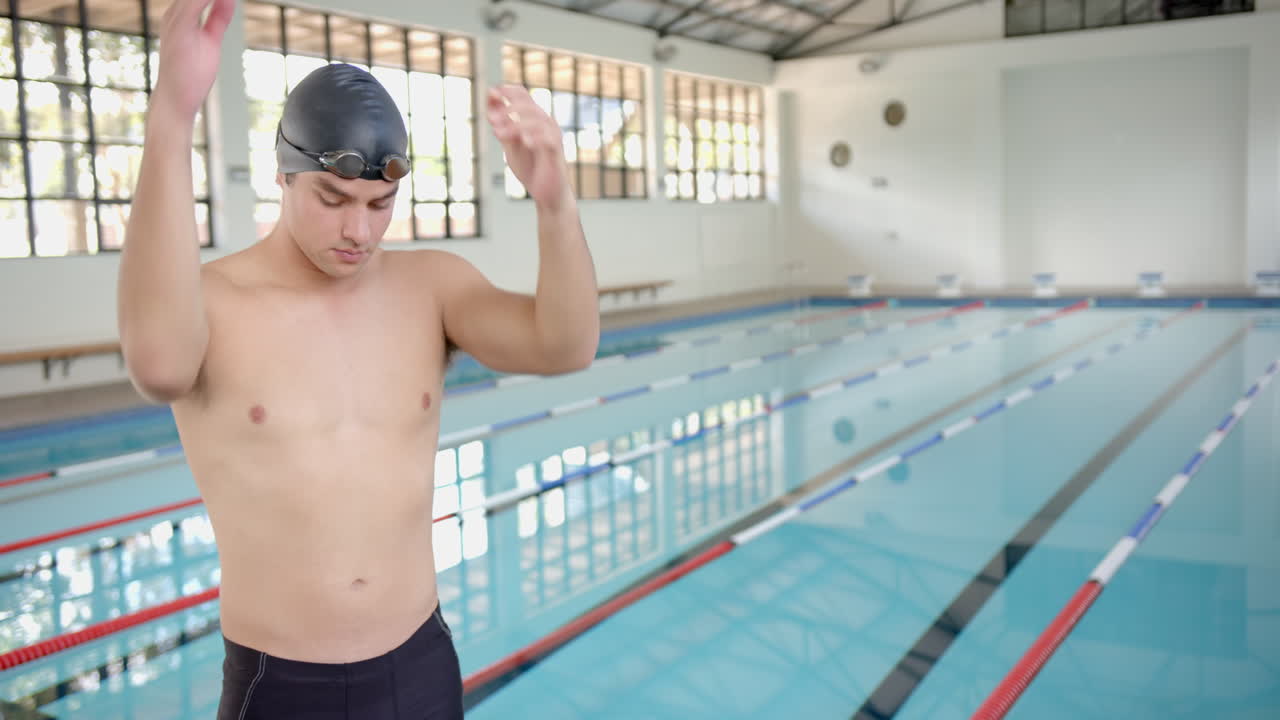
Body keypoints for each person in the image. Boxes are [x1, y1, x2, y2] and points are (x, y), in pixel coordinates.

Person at [116, 0, 600, 716]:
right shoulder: (213, 299)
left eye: (380, 205)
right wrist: (172, 115)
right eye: (334, 197)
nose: (358, 230)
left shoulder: (431, 287)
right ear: (282, 175)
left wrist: (555, 203)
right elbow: (157, 367)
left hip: (420, 664)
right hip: (280, 686)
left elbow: (566, 347)